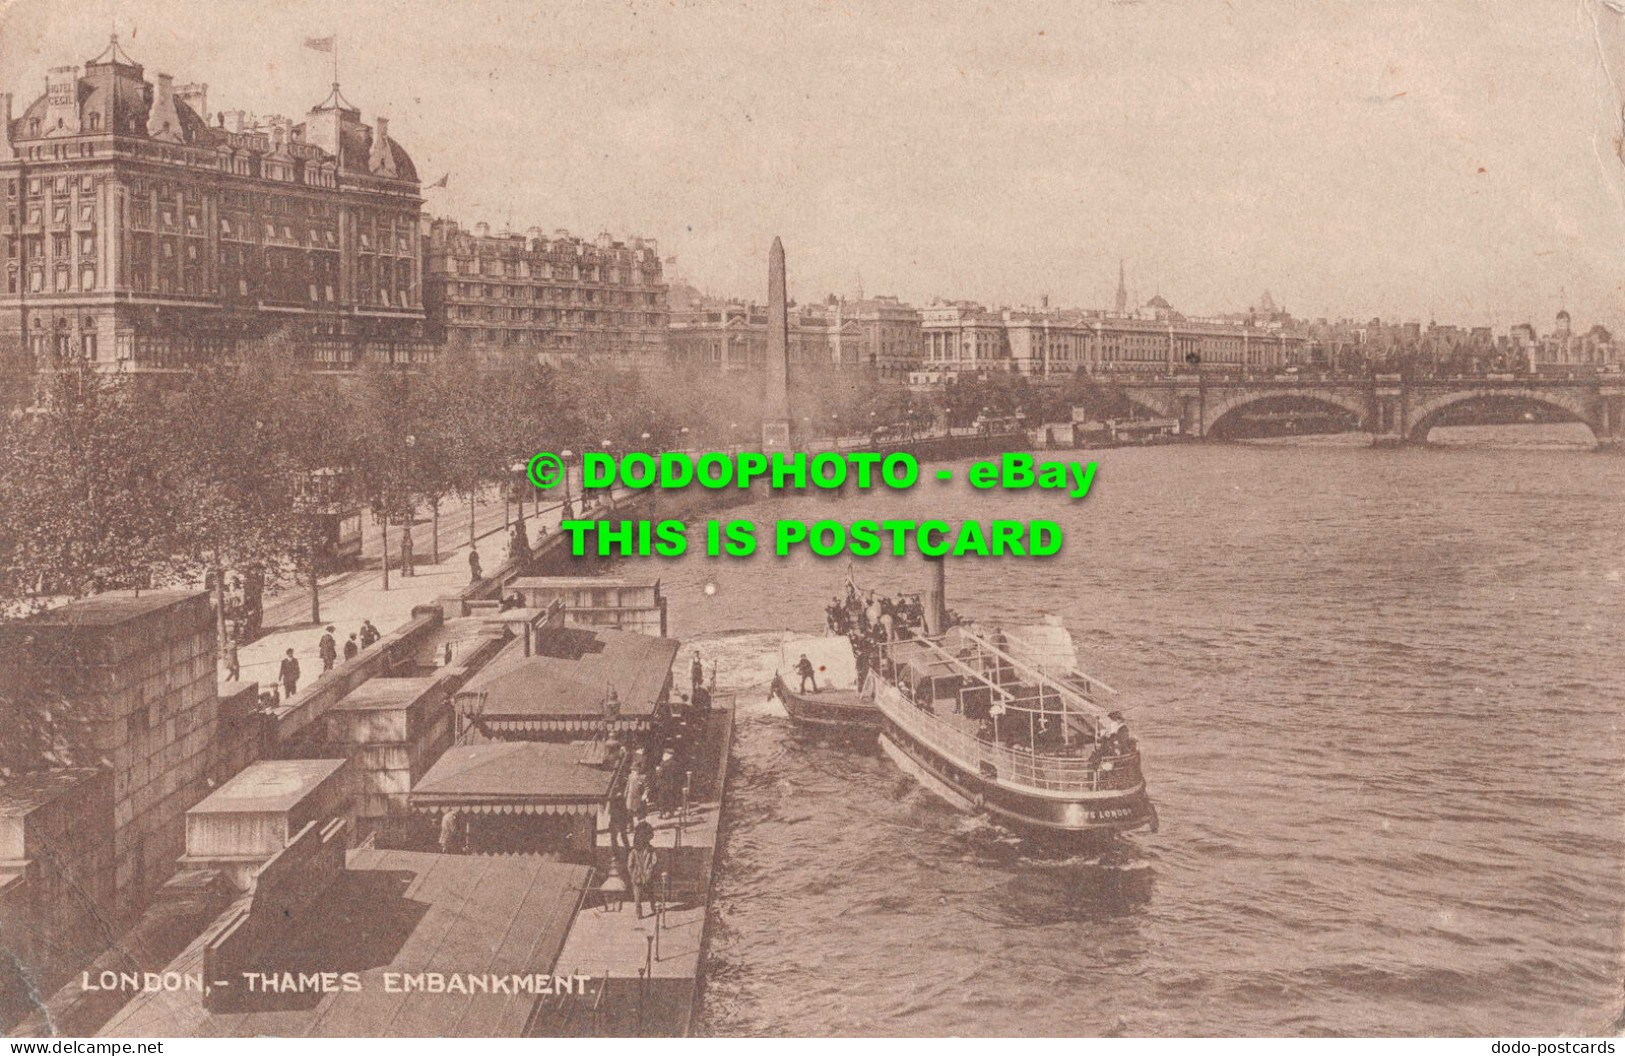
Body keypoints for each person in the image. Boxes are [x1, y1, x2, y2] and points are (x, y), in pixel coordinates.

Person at [627, 826, 658, 919]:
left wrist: (633, 874)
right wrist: (634, 875)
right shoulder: (646, 850)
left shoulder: (647, 850)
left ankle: (644, 911)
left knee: (641, 895)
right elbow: (654, 861)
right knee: (645, 894)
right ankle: (649, 909)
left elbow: (629, 865)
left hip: (643, 876)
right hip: (641, 876)